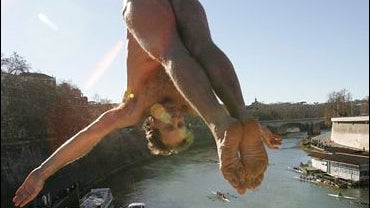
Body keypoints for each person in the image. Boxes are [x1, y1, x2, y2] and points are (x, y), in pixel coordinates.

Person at [13, 0, 282, 207]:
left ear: (150, 123)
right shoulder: (193, 100)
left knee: (170, 52)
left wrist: (42, 171)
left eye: (169, 125)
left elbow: (88, 137)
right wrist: (256, 129)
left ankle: (221, 126)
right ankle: (237, 115)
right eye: (181, 124)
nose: (177, 116)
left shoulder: (131, 109)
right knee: (202, 46)